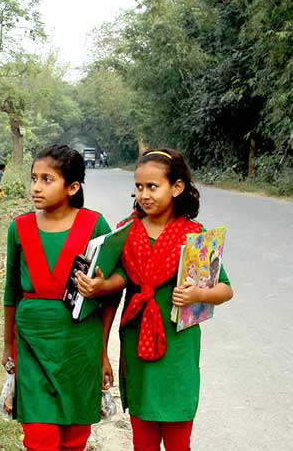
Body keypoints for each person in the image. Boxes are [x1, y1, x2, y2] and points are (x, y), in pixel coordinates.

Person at [108, 148, 233, 451]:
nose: (144, 195)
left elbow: (225, 290)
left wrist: (198, 294)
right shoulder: (126, 231)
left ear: (176, 187)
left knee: (179, 441)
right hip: (136, 344)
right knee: (143, 440)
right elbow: (118, 282)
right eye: (139, 187)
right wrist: (100, 284)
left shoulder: (195, 237)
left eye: (153, 186)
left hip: (178, 349)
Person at [2, 145, 124, 451]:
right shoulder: (19, 228)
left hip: (80, 346)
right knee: (39, 438)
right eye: (34, 178)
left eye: (46, 179)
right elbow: (11, 291)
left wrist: (103, 350)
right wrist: (8, 344)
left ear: (72, 187)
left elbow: (117, 286)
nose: (36, 187)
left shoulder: (94, 224)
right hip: (31, 344)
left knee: (74, 438)